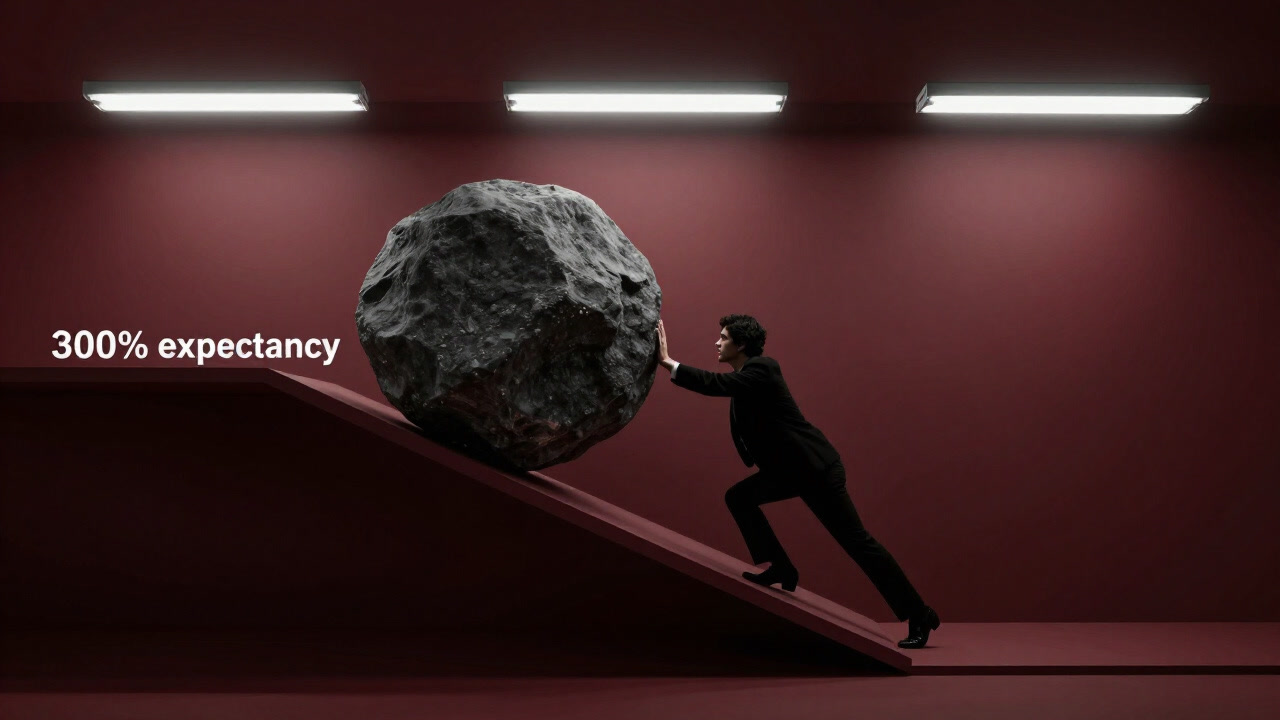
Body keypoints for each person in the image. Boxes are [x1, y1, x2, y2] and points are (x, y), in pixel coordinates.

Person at [655, 314, 941, 649]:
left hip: (816, 470)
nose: (716, 343)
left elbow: (716, 385)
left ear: (741, 344)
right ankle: (781, 567)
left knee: (858, 543)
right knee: (739, 497)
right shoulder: (746, 378)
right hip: (790, 472)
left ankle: (919, 615)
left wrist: (667, 362)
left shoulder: (763, 369)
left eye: (723, 337)